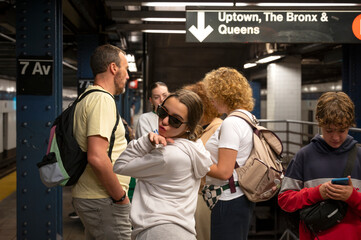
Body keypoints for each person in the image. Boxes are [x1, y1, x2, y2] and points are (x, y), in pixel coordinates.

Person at [113, 89, 213, 240]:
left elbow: (120, 165)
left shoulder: (167, 155)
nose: (164, 121)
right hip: (182, 231)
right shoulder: (195, 147)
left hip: (157, 230)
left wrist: (146, 141)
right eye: (162, 112)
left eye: (175, 120)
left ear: (188, 127)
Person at [278, 91, 361, 240]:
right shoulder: (304, 156)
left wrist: (352, 197)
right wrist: (317, 193)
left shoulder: (359, 156)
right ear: (319, 124)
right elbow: (285, 201)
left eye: (342, 130)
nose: (335, 137)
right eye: (329, 130)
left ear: (349, 125)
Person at [71, 44, 132, 240]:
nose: (128, 76)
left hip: (94, 197)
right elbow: (97, 157)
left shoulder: (87, 97)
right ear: (113, 68)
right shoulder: (102, 100)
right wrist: (120, 198)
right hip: (103, 198)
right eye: (126, 69)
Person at [203, 67, 255, 240]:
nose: (211, 100)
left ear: (222, 94)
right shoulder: (247, 117)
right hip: (240, 197)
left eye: (212, 94)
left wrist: (196, 160)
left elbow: (224, 172)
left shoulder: (231, 124)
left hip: (227, 200)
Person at [184, 81, 223, 240]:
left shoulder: (218, 128)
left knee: (204, 235)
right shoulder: (205, 129)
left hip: (207, 194)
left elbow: (221, 167)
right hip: (199, 193)